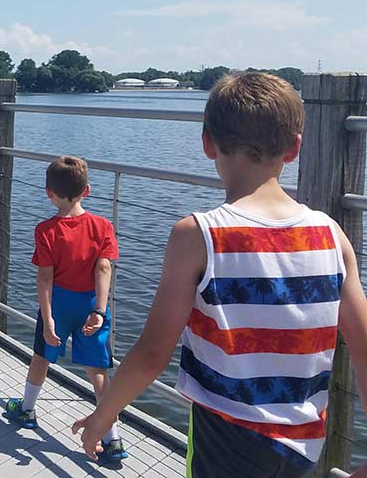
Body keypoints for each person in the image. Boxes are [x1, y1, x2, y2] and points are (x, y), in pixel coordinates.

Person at [73, 72, 367, 477]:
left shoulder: (198, 236)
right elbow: (363, 346)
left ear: (207, 143)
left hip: (225, 437)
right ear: (295, 148)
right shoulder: (332, 235)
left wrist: (103, 416)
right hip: (303, 443)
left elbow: (152, 353)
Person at [2, 157, 126, 463]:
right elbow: (104, 268)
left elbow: (45, 277)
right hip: (90, 305)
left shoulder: (46, 230)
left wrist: (47, 319)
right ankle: (113, 439)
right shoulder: (102, 226)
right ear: (87, 190)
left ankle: (28, 409)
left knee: (42, 356)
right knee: (98, 370)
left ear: (49, 193)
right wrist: (99, 309)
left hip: (58, 303)